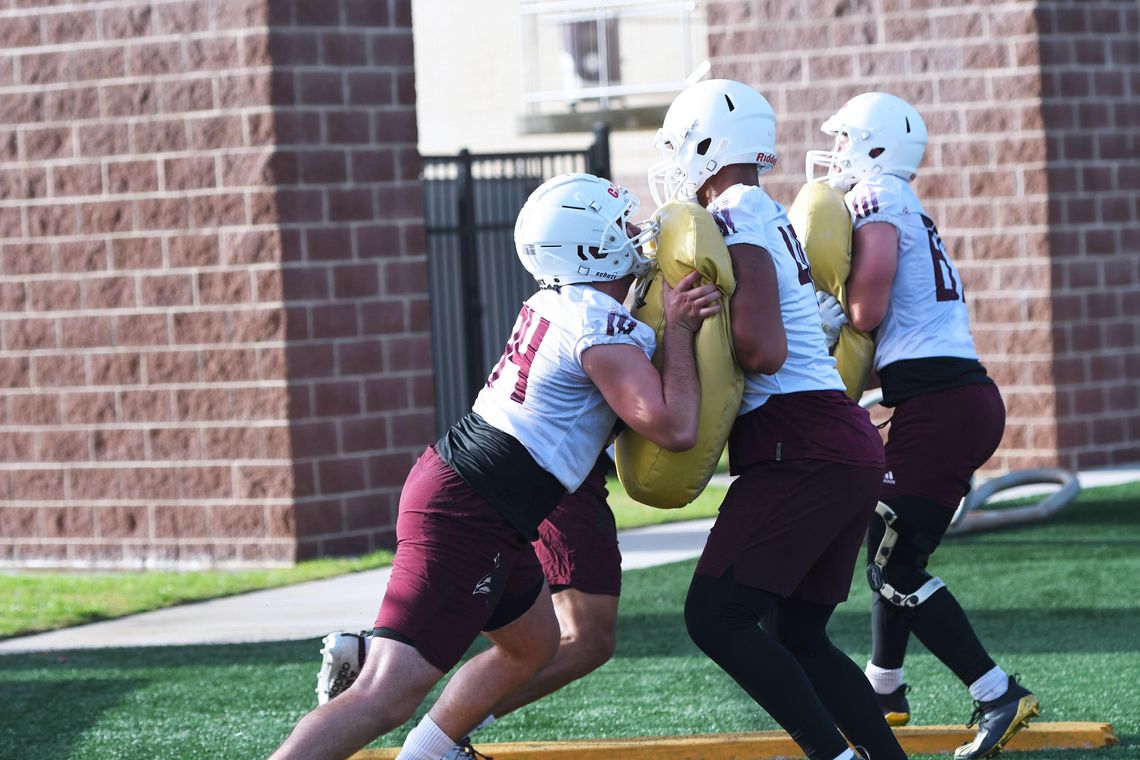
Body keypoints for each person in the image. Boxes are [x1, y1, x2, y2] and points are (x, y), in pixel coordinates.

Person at [267, 172, 722, 760]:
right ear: (588, 248)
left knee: (532, 644)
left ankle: (428, 752)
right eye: (619, 225)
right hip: (471, 510)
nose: (635, 233)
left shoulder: (562, 303)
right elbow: (675, 427)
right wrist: (682, 331)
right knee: (386, 695)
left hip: (480, 500)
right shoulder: (594, 321)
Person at [648, 78, 906, 760]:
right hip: (832, 439)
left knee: (714, 617)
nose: (675, 163)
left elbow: (764, 349)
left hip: (802, 440)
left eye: (681, 147)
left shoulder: (735, 211)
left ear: (709, 146)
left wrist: (687, 332)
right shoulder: (756, 209)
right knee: (797, 634)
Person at [806, 91, 1040, 760]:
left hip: (943, 406)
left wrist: (834, 305)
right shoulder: (908, 205)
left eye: (847, 140)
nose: (839, 154)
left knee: (891, 561)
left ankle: (997, 692)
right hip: (951, 398)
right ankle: (885, 687)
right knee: (890, 541)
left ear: (875, 148)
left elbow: (868, 304)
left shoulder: (878, 198)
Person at [314, 450, 624, 759]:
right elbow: (665, 429)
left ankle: (428, 730)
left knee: (532, 643)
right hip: (526, 476)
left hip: (508, 476)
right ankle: (439, 732)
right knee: (383, 692)